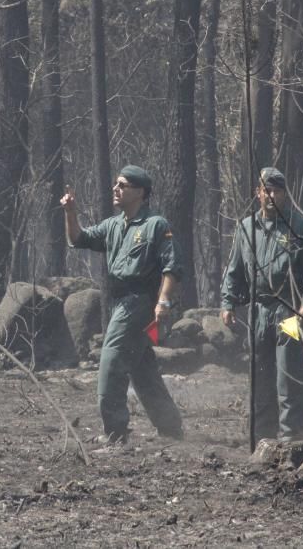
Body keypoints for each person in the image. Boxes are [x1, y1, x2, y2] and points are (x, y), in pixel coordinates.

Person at [60, 165, 184, 445]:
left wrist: (163, 301)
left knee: (111, 362)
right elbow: (78, 239)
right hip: (119, 302)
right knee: (142, 369)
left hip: (140, 303)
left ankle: (115, 433)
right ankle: (171, 428)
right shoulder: (113, 225)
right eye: (116, 184)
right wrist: (70, 212)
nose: (116, 189)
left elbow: (172, 267)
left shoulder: (156, 225)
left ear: (140, 192)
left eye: (123, 185)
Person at [220, 167, 303, 443]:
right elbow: (234, 269)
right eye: (266, 189)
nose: (270, 195)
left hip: (288, 310)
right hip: (258, 311)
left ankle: (293, 435)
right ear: (258, 193)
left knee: (289, 371)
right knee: (259, 374)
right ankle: (262, 436)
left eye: (276, 190)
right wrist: (227, 302)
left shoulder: (298, 226)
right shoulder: (246, 227)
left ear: (284, 194)